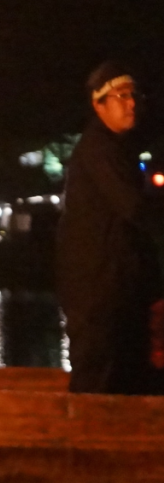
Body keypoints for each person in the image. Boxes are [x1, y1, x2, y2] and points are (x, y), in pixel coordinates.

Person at [56, 62, 164, 394]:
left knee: (127, 372)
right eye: (121, 96)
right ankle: (88, 441)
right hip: (99, 289)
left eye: (134, 95)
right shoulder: (100, 149)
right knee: (99, 373)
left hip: (119, 285)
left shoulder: (119, 148)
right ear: (98, 103)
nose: (132, 103)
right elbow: (134, 208)